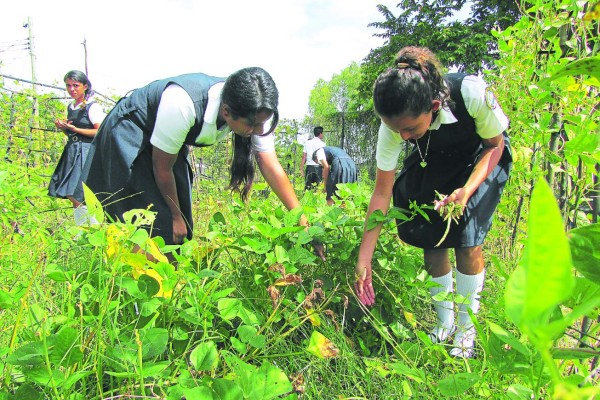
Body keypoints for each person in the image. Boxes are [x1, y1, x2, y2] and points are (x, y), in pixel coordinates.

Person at [354, 47, 512, 358]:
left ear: (434, 106)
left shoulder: (471, 92)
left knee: (468, 241)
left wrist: (466, 191)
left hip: (479, 160)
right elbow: (382, 193)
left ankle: (466, 331)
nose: (403, 136)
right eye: (397, 129)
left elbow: (495, 144)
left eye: (410, 128)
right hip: (433, 162)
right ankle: (444, 323)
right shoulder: (395, 128)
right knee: (431, 237)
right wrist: (364, 259)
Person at [75, 67, 324, 260]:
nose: (259, 131)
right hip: (130, 135)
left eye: (263, 124)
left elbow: (271, 167)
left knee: (182, 232)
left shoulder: (253, 109)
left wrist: (303, 222)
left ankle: (167, 290)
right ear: (226, 112)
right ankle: (142, 295)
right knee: (154, 225)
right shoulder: (183, 104)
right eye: (252, 125)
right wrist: (175, 216)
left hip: (163, 147)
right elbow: (162, 168)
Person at [49, 70, 106, 225]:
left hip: (86, 152)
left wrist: (76, 130)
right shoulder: (72, 107)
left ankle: (94, 229)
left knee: (82, 193)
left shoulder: (92, 107)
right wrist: (64, 127)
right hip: (73, 151)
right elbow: (72, 131)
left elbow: (99, 132)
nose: (72, 89)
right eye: (68, 85)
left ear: (85, 86)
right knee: (71, 192)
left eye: (76, 85)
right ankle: (82, 231)